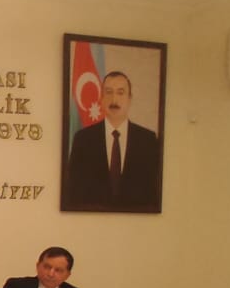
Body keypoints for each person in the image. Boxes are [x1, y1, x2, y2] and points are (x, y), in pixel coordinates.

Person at [65, 71, 161, 210]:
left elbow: (153, 193)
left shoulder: (147, 140)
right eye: (109, 92)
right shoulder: (83, 139)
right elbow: (73, 192)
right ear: (101, 98)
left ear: (129, 99)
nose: (114, 99)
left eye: (120, 93)